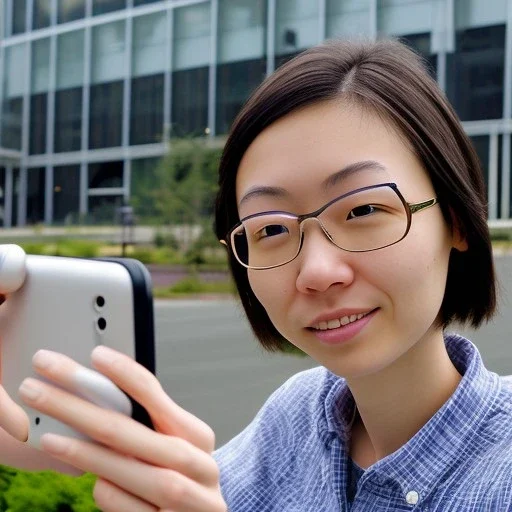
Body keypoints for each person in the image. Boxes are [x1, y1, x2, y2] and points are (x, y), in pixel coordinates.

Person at [0, 39, 510, 511]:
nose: (316, 272)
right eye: (269, 229)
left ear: (457, 220)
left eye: (361, 211)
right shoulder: (296, 418)